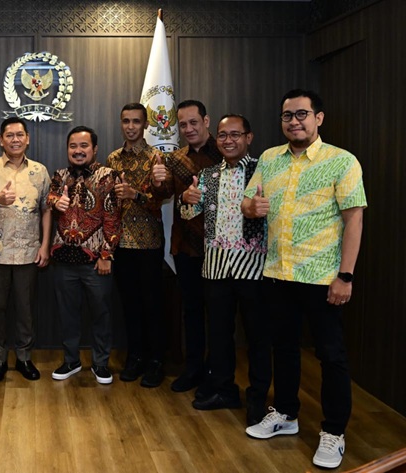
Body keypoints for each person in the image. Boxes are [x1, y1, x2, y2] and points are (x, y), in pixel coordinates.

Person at [241, 90, 366, 469]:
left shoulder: (342, 161)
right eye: (287, 116)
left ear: (318, 118)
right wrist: (252, 207)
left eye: (301, 114)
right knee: (284, 348)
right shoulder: (269, 158)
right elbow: (247, 202)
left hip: (322, 278)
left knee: (331, 355)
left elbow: (354, 220)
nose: (294, 121)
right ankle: (286, 414)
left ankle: (334, 431)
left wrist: (345, 276)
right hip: (278, 273)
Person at [179, 114, 271, 426]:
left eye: (235, 134)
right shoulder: (208, 174)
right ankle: (223, 390)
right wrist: (186, 199)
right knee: (219, 334)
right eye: (222, 135)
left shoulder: (264, 170)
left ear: (249, 137)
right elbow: (190, 212)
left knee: (258, 336)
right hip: (216, 265)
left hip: (254, 266)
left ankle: (258, 398)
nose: (228, 140)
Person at [0, 117, 51, 382]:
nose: (15, 139)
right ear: (1, 140)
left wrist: (45, 245)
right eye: (9, 135)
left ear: (27, 139)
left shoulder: (40, 171)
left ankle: (24, 358)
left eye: (20, 135)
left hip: (29, 252)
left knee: (25, 309)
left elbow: (46, 209)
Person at [153, 99, 222, 393]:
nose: (189, 129)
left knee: (219, 315)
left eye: (194, 122)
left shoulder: (226, 152)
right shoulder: (175, 159)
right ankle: (193, 369)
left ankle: (216, 373)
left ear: (206, 121)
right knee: (192, 312)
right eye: (183, 125)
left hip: (221, 248)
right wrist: (158, 182)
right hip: (186, 248)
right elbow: (163, 194)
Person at [47, 126, 122, 384]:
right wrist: (55, 201)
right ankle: (71, 360)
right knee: (67, 315)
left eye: (83, 146)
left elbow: (113, 218)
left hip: (95, 261)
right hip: (63, 260)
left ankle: (100, 363)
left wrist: (106, 255)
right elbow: (49, 197)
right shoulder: (60, 175)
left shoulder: (108, 176)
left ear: (94, 149)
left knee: (101, 314)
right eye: (73, 146)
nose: (78, 151)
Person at [107, 103, 173, 388]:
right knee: (129, 304)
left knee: (152, 304)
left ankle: (156, 360)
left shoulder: (157, 158)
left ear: (146, 124)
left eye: (136, 121)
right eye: (126, 121)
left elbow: (163, 198)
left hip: (149, 242)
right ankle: (135, 357)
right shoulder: (113, 158)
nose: (131, 126)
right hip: (121, 243)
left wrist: (136, 195)